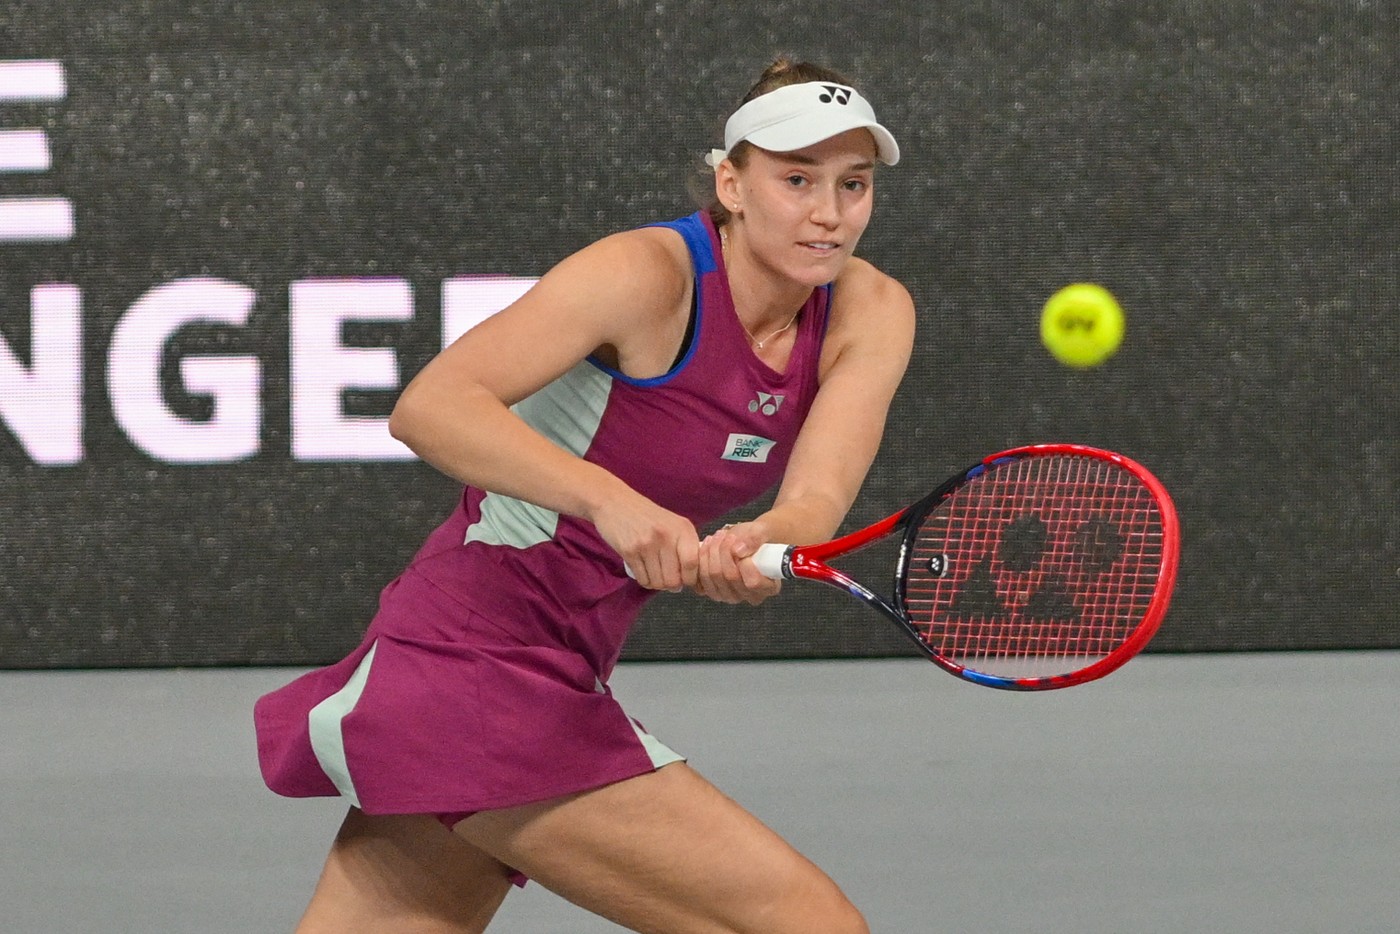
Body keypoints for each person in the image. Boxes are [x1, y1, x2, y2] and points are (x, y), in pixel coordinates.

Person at [254, 56, 915, 934]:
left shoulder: (871, 311)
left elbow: (815, 497)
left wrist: (758, 546)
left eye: (853, 184)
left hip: (557, 663)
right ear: (733, 182)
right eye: (797, 179)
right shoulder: (645, 274)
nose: (830, 212)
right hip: (469, 659)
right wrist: (608, 500)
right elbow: (430, 407)